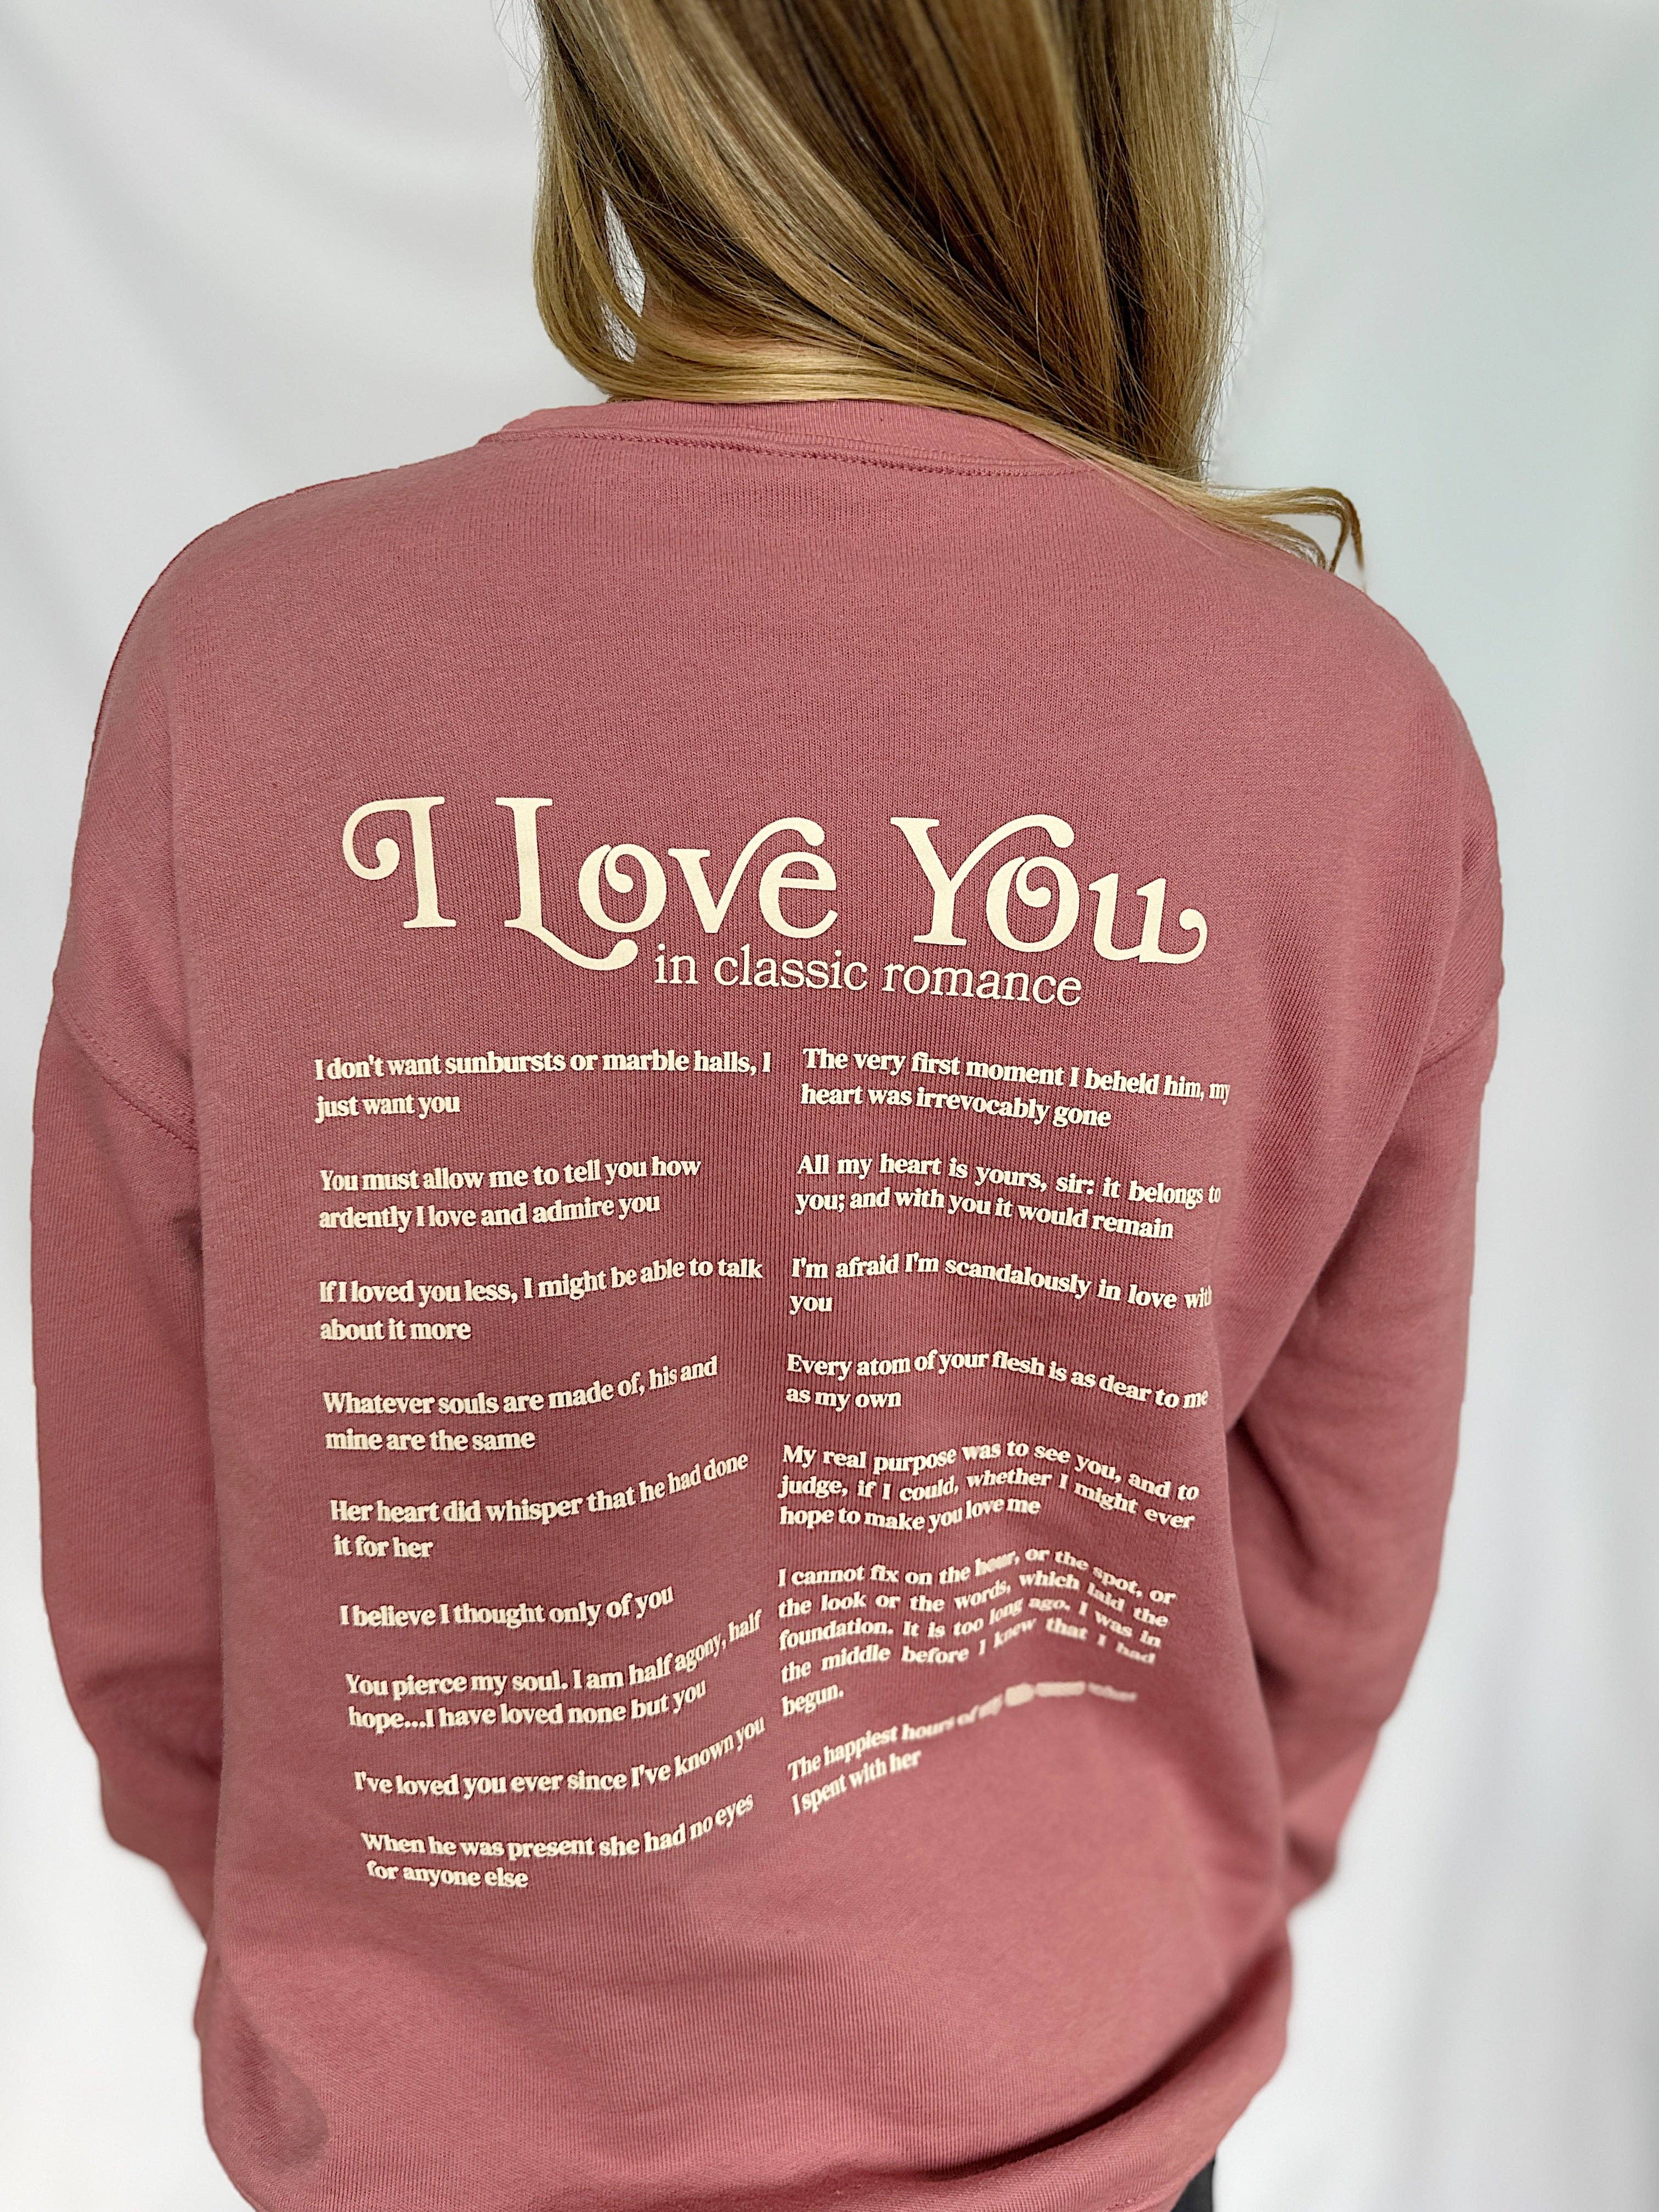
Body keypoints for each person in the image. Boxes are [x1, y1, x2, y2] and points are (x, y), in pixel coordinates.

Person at [32, 5, 1500, 2210]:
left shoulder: (243, 663)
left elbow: (154, 1591)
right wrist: (1137, 1918)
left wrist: (397, 1996)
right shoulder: (1346, 736)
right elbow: (1336, 1583)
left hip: (448, 2141)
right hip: (1074, 2114)